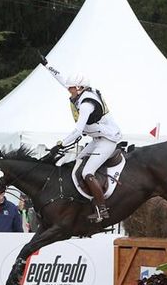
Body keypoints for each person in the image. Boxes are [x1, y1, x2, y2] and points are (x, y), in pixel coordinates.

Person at [41, 56, 122, 223]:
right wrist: (47, 65)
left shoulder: (86, 104)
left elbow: (78, 131)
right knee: (78, 161)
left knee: (87, 172)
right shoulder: (81, 92)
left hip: (108, 139)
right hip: (97, 138)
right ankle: (86, 200)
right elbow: (62, 79)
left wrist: (60, 145)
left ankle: (102, 210)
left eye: (71, 89)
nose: (69, 91)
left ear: (79, 87)